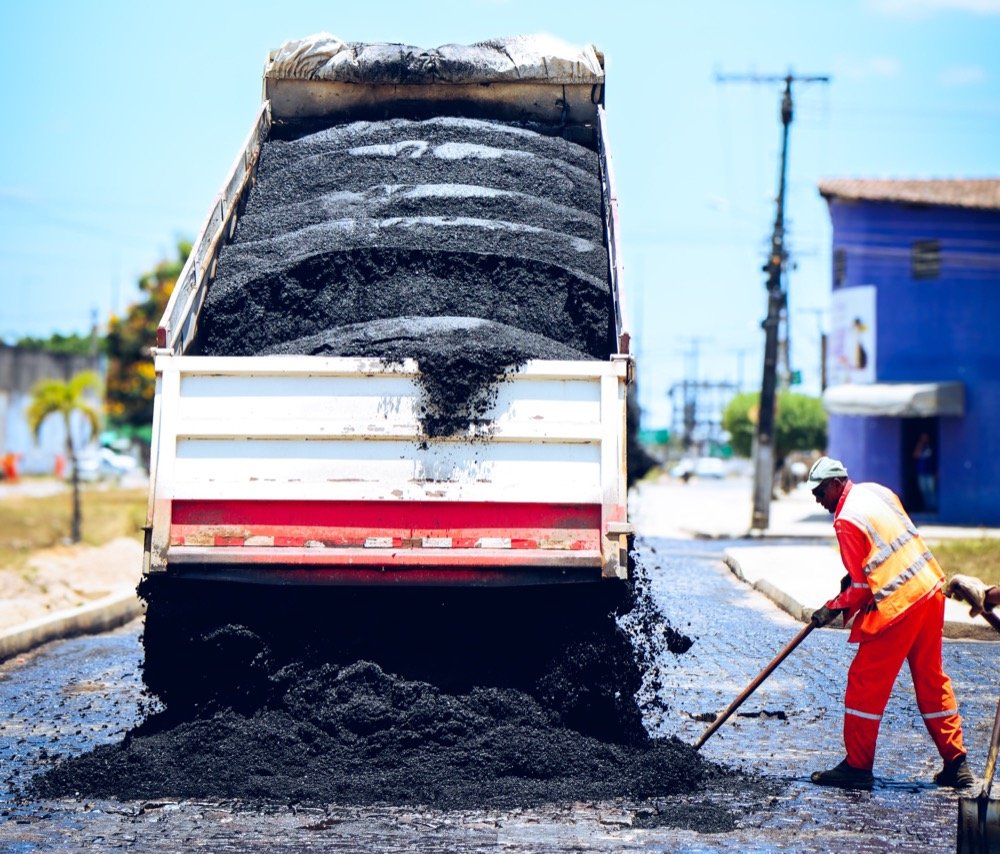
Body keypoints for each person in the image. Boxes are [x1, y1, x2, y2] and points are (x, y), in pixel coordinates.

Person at [805, 456, 974, 790]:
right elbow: (887, 546)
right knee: (930, 680)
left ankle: (857, 766)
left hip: (898, 604)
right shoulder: (876, 493)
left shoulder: (845, 521)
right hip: (929, 589)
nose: (817, 499)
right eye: (814, 493)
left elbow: (860, 589)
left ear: (838, 483)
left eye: (821, 490)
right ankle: (957, 763)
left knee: (865, 683)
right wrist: (858, 573)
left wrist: (830, 609)